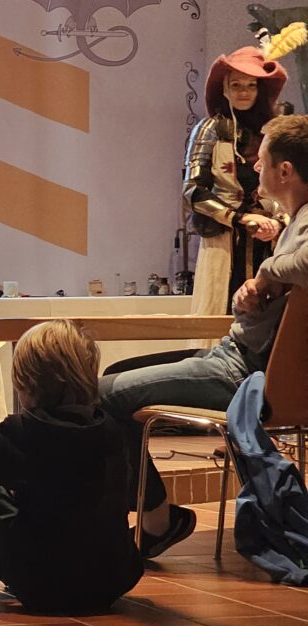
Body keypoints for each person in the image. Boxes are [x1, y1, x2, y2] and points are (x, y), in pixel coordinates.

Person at [102, 113, 308, 559]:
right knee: (114, 374)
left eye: (262, 159)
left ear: (285, 171)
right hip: (237, 354)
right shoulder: (294, 220)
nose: (255, 166)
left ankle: (155, 519)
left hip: (245, 372)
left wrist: (266, 272)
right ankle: (144, 516)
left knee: (104, 395)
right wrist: (253, 295)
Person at [0, 321, 143, 612]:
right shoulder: (111, 428)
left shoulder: (26, 430)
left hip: (45, 585)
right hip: (114, 578)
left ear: (28, 382)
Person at [185, 46, 287, 315]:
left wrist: (278, 222)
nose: (244, 92)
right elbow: (192, 191)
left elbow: (290, 186)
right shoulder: (210, 129)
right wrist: (240, 218)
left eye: (251, 85)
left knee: (271, 314)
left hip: (271, 240)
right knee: (219, 311)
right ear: (225, 89)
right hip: (224, 239)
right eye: (236, 85)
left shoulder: (275, 132)